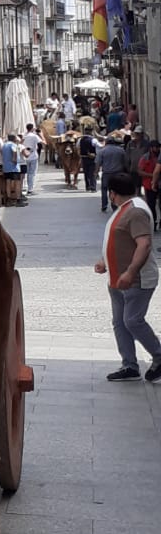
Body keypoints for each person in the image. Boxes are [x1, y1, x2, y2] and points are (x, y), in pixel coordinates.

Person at [96, 170, 161, 382]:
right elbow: (121, 240)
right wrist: (105, 261)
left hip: (136, 279)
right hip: (117, 279)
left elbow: (144, 244)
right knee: (120, 322)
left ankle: (159, 356)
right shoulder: (124, 208)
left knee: (132, 320)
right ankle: (130, 365)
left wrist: (131, 271)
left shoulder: (136, 211)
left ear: (112, 193)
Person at [100, 131, 130, 212]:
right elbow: (125, 162)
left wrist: (95, 173)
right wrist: (127, 171)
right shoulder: (120, 150)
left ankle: (104, 205)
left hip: (106, 173)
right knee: (116, 189)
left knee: (104, 189)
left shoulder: (103, 151)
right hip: (118, 173)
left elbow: (98, 162)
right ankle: (115, 205)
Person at [142, 141, 161, 229]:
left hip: (157, 184)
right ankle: (153, 222)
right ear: (151, 148)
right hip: (149, 185)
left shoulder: (159, 156)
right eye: (155, 147)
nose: (157, 149)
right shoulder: (145, 157)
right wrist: (152, 176)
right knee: (151, 205)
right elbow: (140, 171)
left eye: (158, 147)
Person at [2, 131, 24, 205]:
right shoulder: (13, 145)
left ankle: (9, 199)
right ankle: (18, 199)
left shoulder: (4, 145)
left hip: (6, 167)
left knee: (8, 183)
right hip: (14, 167)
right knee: (17, 183)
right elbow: (14, 151)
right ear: (14, 138)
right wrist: (14, 159)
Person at [21, 124, 42, 197]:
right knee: (32, 173)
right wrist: (40, 134)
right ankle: (30, 189)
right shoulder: (34, 136)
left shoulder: (24, 135)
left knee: (24, 173)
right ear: (32, 129)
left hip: (25, 157)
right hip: (33, 157)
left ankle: (23, 187)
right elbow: (43, 142)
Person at [79, 128, 100, 194]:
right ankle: (93, 188)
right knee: (92, 173)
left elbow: (77, 147)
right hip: (92, 158)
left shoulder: (80, 140)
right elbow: (99, 146)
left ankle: (87, 187)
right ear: (91, 132)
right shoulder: (93, 140)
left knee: (86, 173)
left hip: (83, 158)